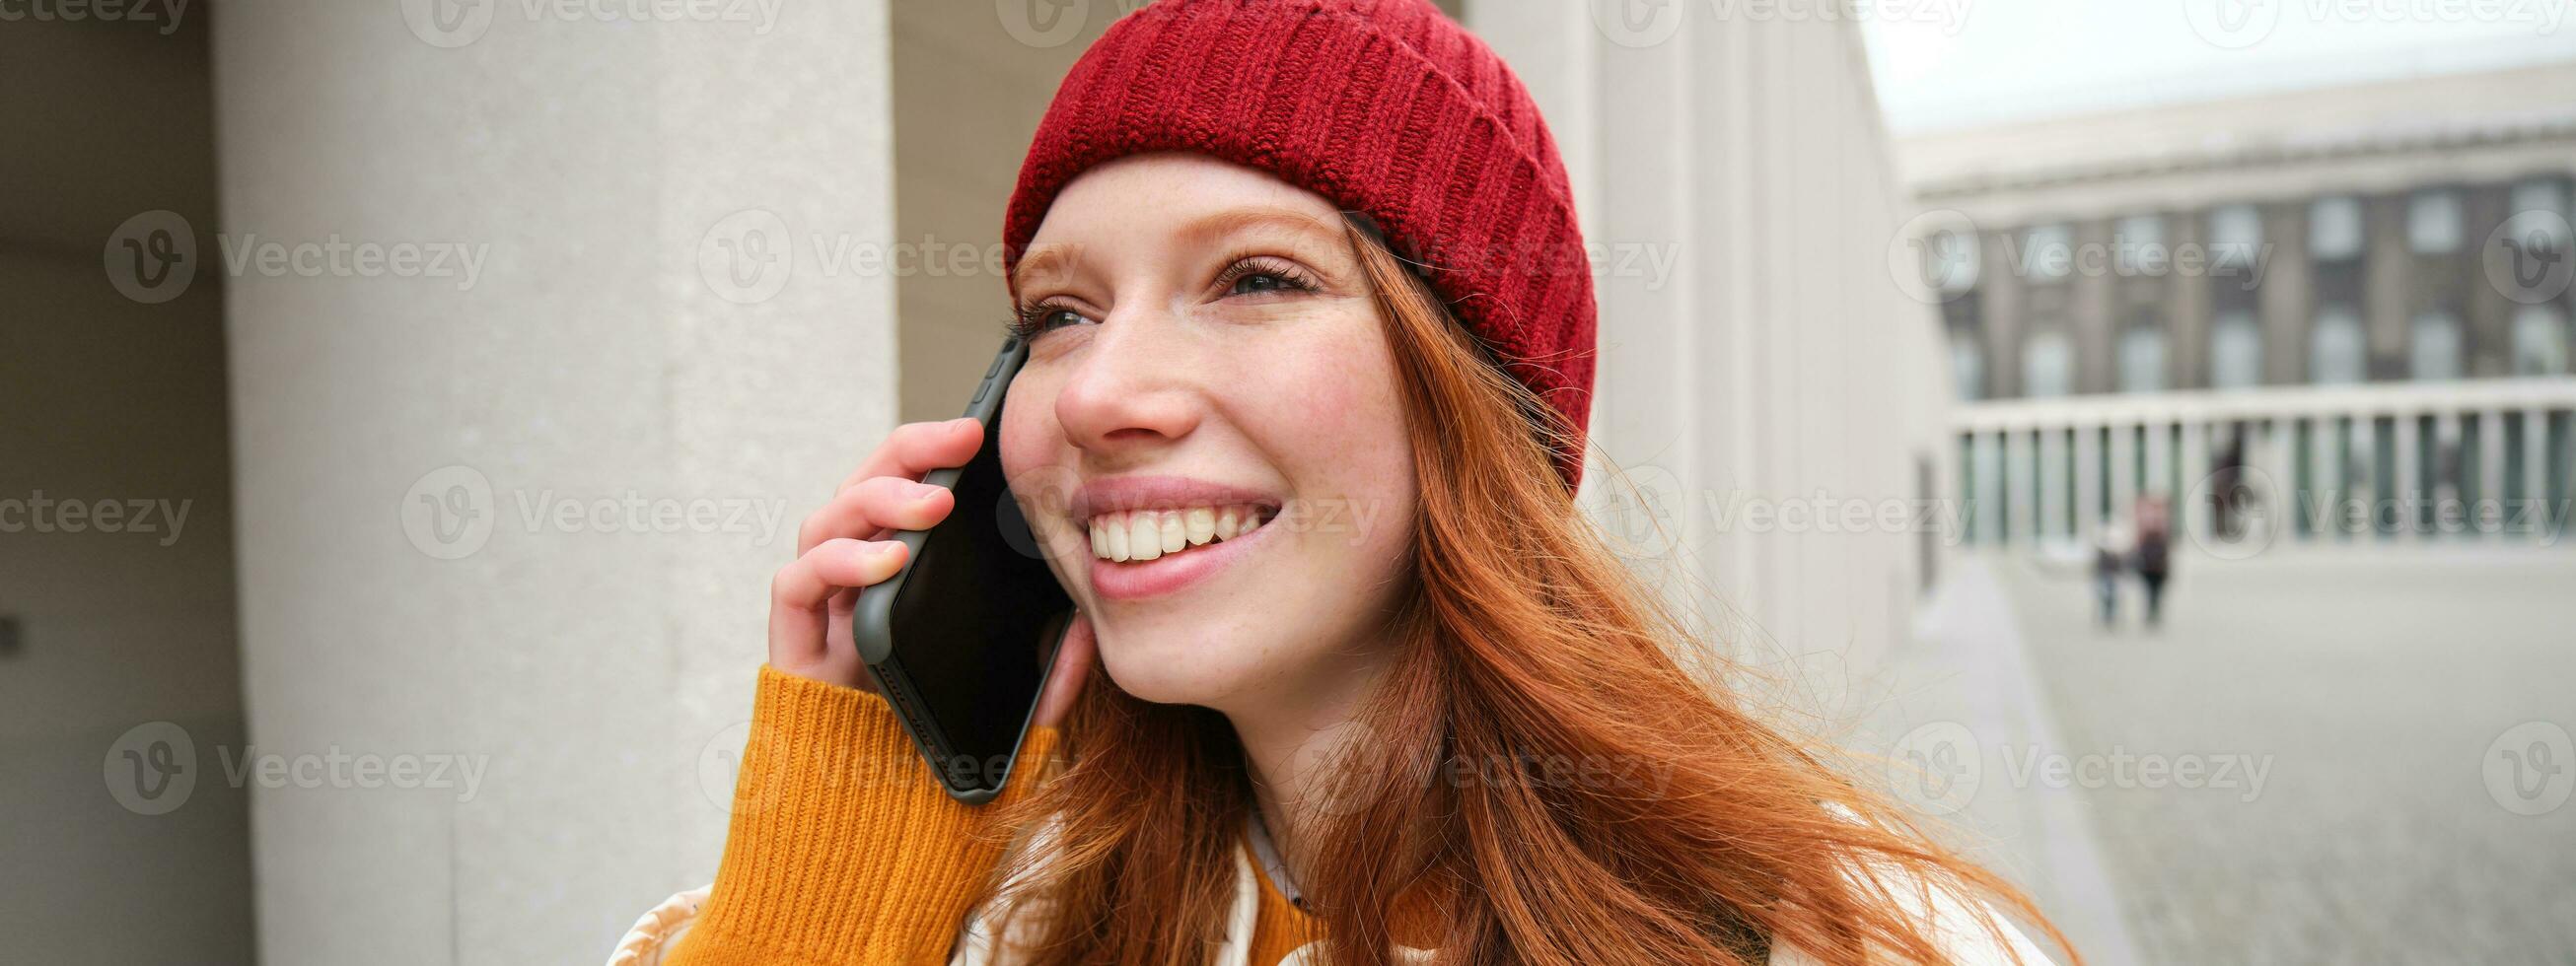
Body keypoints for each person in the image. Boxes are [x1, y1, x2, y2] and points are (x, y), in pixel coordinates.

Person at [612, 2, 2072, 963]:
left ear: (1477, 405)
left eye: (1253, 279)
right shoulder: (1007, 915)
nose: (1105, 392)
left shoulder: (1839, 943)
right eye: (1059, 314)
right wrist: (853, 848)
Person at [2133, 498, 2173, 630]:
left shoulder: (2159, 535)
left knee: (2154, 593)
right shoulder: (2150, 535)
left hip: (2156, 570)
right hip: (2151, 570)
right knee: (2151, 593)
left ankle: (2153, 612)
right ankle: (2152, 612)